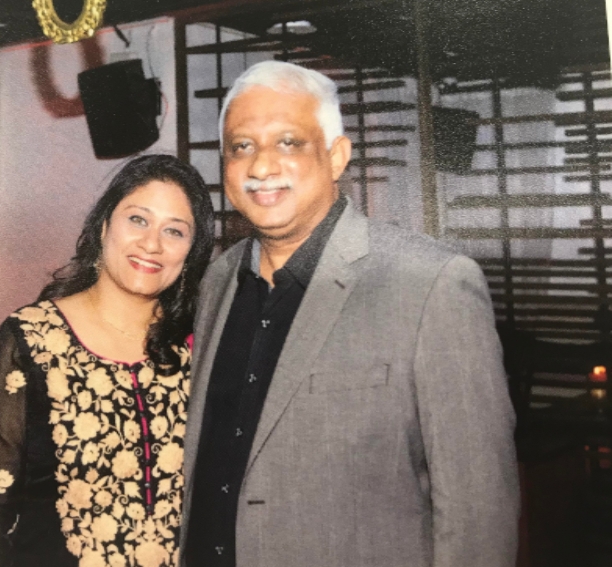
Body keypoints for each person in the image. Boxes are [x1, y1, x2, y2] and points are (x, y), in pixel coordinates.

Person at [180, 61, 519, 567]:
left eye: (288, 142)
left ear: (336, 156)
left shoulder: (431, 284)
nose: (261, 167)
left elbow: (478, 514)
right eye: (241, 146)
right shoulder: (217, 281)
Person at [0, 154, 215, 567]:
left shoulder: (199, 345)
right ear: (105, 225)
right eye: (138, 220)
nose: (152, 244)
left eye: (174, 231)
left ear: (191, 252)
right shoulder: (33, 338)